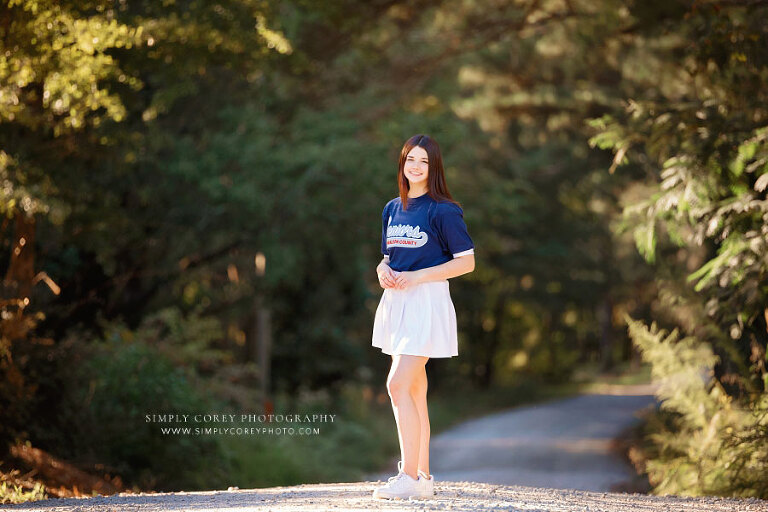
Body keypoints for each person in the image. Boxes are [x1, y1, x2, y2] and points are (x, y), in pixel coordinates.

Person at [371, 134, 475, 500]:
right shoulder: (392, 208)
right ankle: (424, 478)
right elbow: (390, 255)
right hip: (397, 302)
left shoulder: (443, 210)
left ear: (434, 168)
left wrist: (417, 277)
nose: (415, 166)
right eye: (409, 159)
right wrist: (383, 269)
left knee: (397, 384)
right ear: (402, 163)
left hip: (426, 302)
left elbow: (467, 262)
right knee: (414, 389)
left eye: (423, 161)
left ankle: (410, 477)